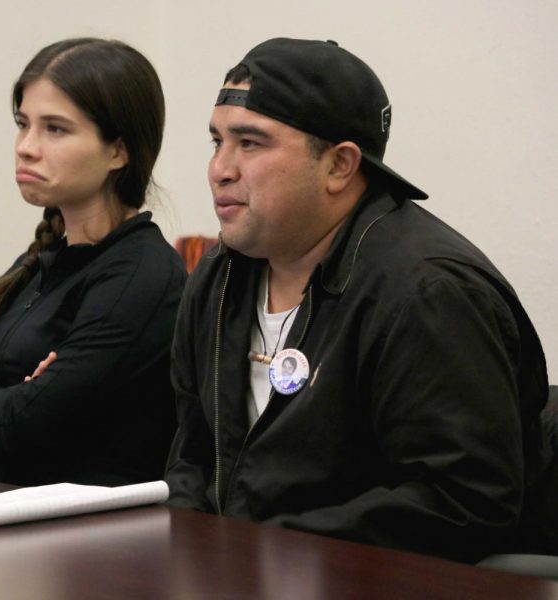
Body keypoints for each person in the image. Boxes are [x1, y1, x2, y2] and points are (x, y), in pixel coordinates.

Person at [164, 38, 550, 563]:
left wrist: (269, 553)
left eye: (250, 143)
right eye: (217, 142)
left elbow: (465, 502)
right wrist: (192, 549)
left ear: (340, 166)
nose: (220, 169)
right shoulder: (216, 278)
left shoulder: (427, 294)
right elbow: (191, 455)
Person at [0, 38, 186, 486]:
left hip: (81, 539)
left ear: (118, 151)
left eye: (55, 129)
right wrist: (2, 397)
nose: (26, 146)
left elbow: (25, 424)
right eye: (23, 124)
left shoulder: (142, 276)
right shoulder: (38, 261)